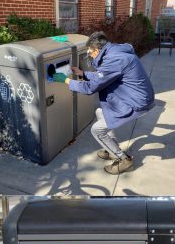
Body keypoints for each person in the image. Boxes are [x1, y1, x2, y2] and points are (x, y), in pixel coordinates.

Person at [53, 31, 155, 174]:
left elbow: (90, 87)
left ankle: (124, 160)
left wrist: (65, 80)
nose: (88, 53)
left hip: (136, 102)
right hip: (135, 96)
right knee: (100, 112)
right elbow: (105, 75)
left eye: (89, 50)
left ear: (97, 49)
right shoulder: (115, 53)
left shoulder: (114, 59)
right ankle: (110, 148)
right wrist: (83, 74)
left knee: (97, 129)